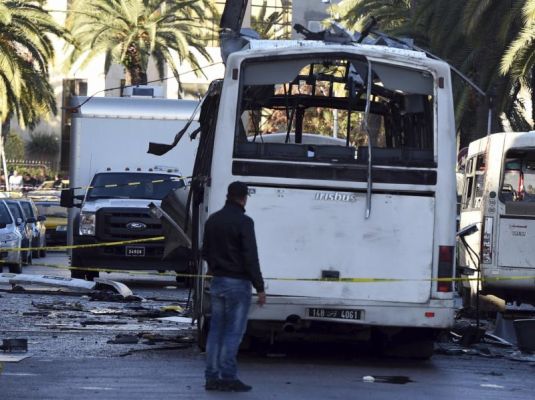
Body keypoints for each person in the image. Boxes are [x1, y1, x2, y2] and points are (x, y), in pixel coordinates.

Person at [202, 181, 266, 392]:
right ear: (244, 197)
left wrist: (213, 268)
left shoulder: (213, 220)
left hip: (218, 281)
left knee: (216, 331)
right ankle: (228, 376)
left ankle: (212, 377)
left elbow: (206, 251)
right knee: (233, 332)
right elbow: (250, 257)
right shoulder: (244, 222)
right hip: (238, 283)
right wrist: (260, 287)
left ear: (228, 195)